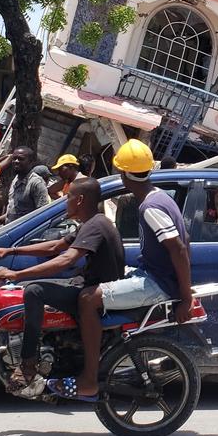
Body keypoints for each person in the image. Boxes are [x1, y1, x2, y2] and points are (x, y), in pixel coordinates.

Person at [68, 139, 192, 401]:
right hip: (153, 275)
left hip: (157, 283)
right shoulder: (160, 197)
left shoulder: (150, 207)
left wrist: (185, 298)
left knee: (88, 299)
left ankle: (89, 379)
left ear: (124, 175)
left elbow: (179, 249)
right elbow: (185, 241)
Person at [0, 178, 124, 396]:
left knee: (34, 291)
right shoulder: (92, 223)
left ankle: (28, 365)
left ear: (79, 200)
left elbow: (65, 260)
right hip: (88, 288)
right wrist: (11, 251)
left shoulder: (95, 225)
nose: (65, 201)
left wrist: (16, 274)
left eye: (68, 197)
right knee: (32, 288)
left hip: (96, 295)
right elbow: (55, 246)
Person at [0, 148, 46, 232]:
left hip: (23, 234)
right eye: (14, 158)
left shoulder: (36, 183)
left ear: (31, 161)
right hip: (9, 231)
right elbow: (14, 211)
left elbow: (42, 214)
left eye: (21, 159)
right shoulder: (16, 180)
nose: (16, 161)